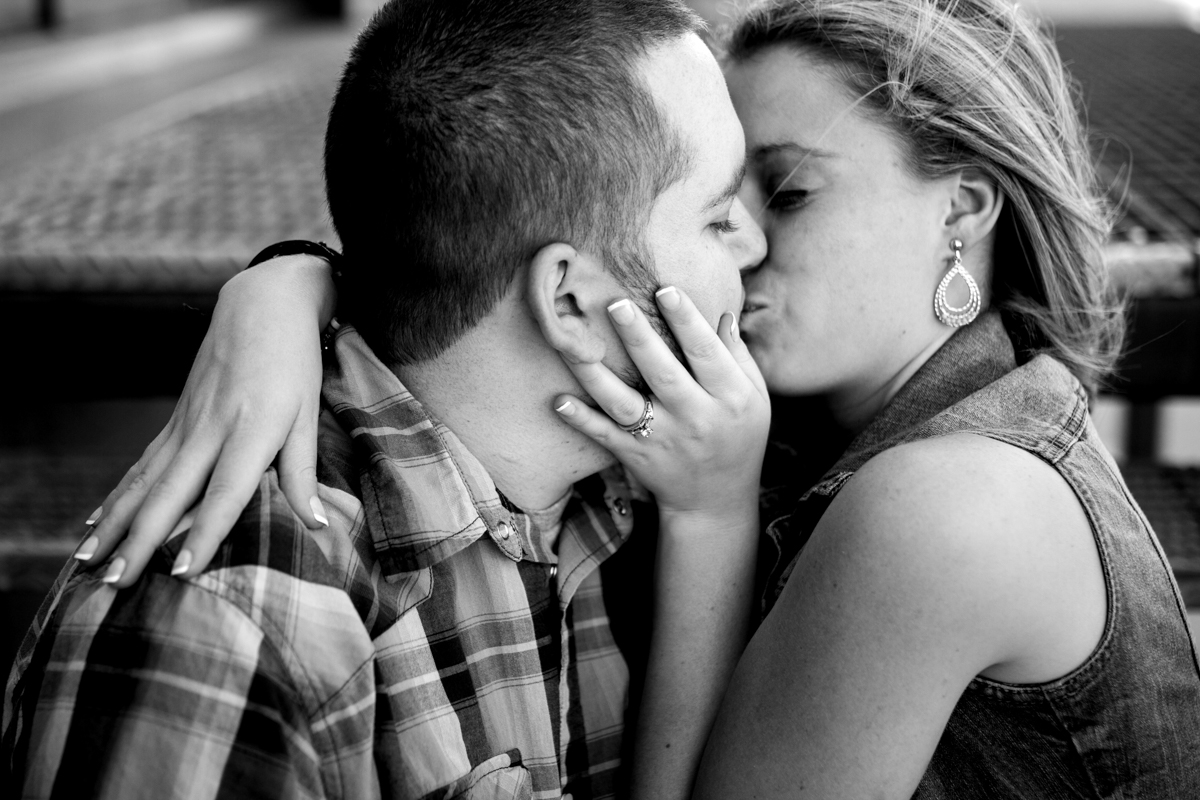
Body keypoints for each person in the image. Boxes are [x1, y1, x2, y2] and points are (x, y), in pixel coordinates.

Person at [24, 0, 1200, 796]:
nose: (744, 241)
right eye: (726, 200)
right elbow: (482, 234)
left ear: (965, 207)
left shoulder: (929, 499)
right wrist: (293, 280)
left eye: (784, 192)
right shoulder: (690, 451)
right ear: (577, 300)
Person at [1, 1, 772, 798]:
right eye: (719, 218)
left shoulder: (673, 469)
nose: (756, 242)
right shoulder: (239, 629)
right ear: (570, 304)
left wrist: (295, 272)